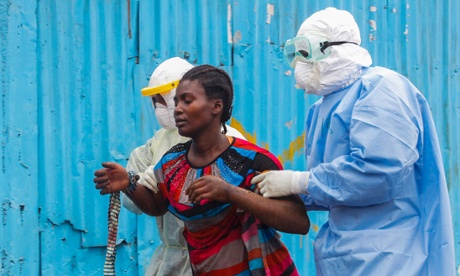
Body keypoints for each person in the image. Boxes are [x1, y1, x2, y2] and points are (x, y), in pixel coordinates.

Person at [251, 7, 456, 275]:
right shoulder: (321, 109)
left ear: (334, 48)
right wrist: (283, 190)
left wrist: (299, 181)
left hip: (392, 256)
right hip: (342, 255)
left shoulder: (380, 88)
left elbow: (380, 174)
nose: (301, 62)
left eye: (308, 51)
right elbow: (336, 189)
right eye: (296, 53)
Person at [94, 64, 310, 275]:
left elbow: (299, 221)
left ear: (217, 106)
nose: (176, 109)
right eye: (176, 101)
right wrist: (129, 183)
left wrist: (230, 193)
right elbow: (157, 205)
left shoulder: (250, 160)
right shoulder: (173, 161)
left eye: (187, 101)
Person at [121, 57, 246, 275]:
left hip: (219, 255)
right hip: (173, 258)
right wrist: (135, 182)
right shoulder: (158, 142)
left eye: (161, 99)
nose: (159, 107)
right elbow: (133, 205)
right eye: (155, 101)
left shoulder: (231, 143)